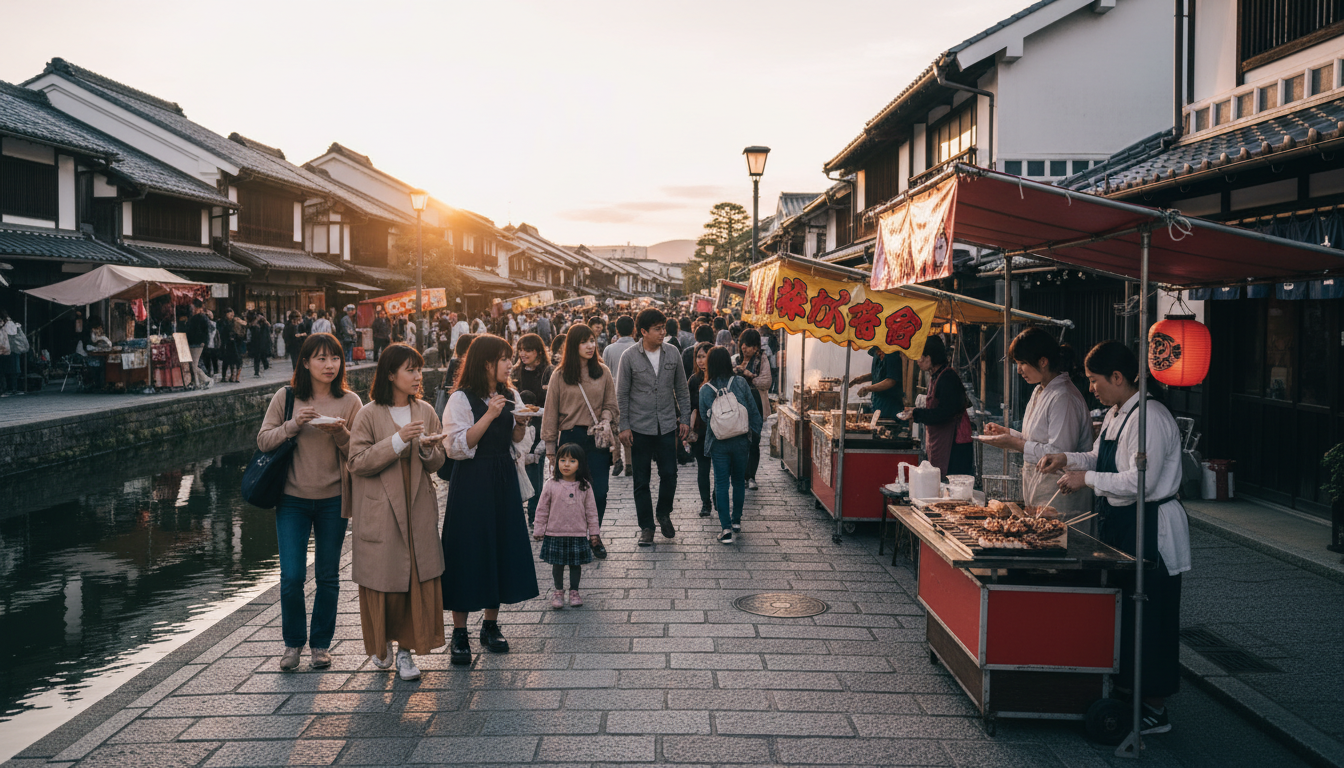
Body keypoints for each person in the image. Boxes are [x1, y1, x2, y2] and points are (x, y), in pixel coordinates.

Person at [1041, 341, 1191, 735]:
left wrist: (1086, 478)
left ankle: (1155, 709)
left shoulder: (1150, 418)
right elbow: (1097, 457)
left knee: (1152, 616)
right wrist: (1069, 460)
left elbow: (1141, 481)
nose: (1091, 388)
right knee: (1127, 611)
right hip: (1122, 524)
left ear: (1118, 378)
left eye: (1094, 380)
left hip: (1150, 527)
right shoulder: (1115, 414)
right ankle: (1129, 692)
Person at [256, 333, 362, 671]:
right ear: (305, 362)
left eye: (334, 358)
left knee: (328, 575)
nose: (329, 365)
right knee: (291, 577)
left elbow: (360, 454)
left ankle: (320, 645)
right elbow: (263, 442)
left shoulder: (350, 402)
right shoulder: (287, 397)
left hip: (333, 500)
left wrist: (340, 433)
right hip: (292, 500)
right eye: (321, 358)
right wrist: (292, 425)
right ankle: (292, 645)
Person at [347, 344, 448, 681]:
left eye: (419, 369)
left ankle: (406, 651)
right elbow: (357, 462)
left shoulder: (426, 410)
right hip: (383, 507)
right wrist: (397, 441)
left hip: (416, 501)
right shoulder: (369, 413)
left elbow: (437, 462)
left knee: (414, 579)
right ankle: (382, 643)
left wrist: (428, 450)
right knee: (385, 580)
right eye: (410, 370)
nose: (418, 376)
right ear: (390, 374)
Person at [441, 334, 540, 665]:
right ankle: (459, 632)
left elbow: (513, 438)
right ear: (485, 362)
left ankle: (491, 624)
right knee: (467, 550)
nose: (509, 364)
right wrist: (489, 415)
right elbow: (456, 447)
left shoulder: (509, 393)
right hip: (471, 480)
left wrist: (521, 424)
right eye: (504, 359)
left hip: (501, 476)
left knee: (499, 545)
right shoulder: (460, 400)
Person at [979, 327, 1094, 515]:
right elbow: (1035, 438)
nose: (1019, 370)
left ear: (1043, 361)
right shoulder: (1041, 389)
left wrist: (1015, 443)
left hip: (1062, 499)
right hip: (1041, 493)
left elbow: (1058, 454)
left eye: (1022, 363)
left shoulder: (1063, 397)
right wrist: (1007, 433)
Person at [616, 308, 691, 547]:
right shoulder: (629, 356)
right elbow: (622, 394)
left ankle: (663, 512)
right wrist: (624, 425)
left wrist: (685, 419)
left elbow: (682, 389)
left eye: (664, 327)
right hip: (639, 427)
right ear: (643, 331)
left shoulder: (673, 354)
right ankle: (647, 527)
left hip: (668, 424)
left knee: (670, 474)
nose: (663, 333)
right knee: (641, 480)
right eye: (657, 329)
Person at [541, 323, 616, 558]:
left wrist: (604, 419)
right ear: (573, 345)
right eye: (584, 342)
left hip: (597, 439)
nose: (590, 346)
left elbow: (612, 405)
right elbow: (550, 412)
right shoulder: (560, 375)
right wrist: (551, 450)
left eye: (592, 341)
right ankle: (577, 537)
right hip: (570, 439)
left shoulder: (603, 372)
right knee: (571, 493)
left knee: (600, 491)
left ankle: (594, 536)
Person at [700, 346, 762, 544]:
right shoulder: (741, 382)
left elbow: (704, 417)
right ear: (728, 362)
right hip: (741, 441)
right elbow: (752, 410)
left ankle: (725, 529)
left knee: (721, 483)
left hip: (719, 442)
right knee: (738, 481)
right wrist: (754, 434)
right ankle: (736, 521)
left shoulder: (705, 389)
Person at [532, 442, 602, 609]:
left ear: (580, 464)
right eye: (562, 460)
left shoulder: (585, 486)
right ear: (557, 462)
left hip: (577, 533)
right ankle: (558, 591)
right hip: (555, 533)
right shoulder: (551, 484)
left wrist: (594, 533)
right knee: (558, 564)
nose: (566, 465)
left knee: (575, 564)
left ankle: (574, 591)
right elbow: (542, 509)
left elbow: (591, 512)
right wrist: (539, 529)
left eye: (572, 461)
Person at [903, 335, 974, 477]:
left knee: (953, 489)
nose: (918, 361)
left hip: (955, 447)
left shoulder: (947, 377)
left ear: (929, 357)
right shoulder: (936, 376)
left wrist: (917, 413)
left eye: (920, 357)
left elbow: (944, 413)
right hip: (943, 443)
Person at [511, 333, 552, 524]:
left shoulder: (548, 372)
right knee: (515, 470)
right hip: (516, 427)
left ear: (538, 352)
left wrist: (537, 410)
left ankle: (535, 515)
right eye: (520, 349)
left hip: (539, 426)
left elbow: (554, 404)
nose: (523, 353)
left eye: (527, 350)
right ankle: (517, 512)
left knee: (535, 470)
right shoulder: (514, 372)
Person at [732, 329, 772, 490]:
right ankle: (741, 475)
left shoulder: (762, 360)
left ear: (756, 347)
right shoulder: (735, 360)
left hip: (756, 405)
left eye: (748, 345)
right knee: (740, 442)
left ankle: (751, 476)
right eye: (742, 344)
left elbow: (766, 382)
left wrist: (750, 375)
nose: (744, 348)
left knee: (754, 441)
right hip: (738, 406)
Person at [602, 315, 637, 476]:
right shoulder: (638, 348)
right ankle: (630, 462)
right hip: (634, 395)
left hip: (613, 394)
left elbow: (604, 374)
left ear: (616, 330)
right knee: (631, 428)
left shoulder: (609, 349)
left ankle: (617, 459)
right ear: (634, 329)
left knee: (616, 428)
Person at [686, 341, 715, 518]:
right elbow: (689, 406)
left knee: (720, 468)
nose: (701, 361)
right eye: (698, 356)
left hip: (719, 430)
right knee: (703, 469)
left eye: (704, 356)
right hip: (701, 432)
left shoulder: (719, 379)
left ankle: (717, 495)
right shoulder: (694, 380)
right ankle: (706, 502)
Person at [853, 347, 904, 421]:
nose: (878, 353)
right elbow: (877, 374)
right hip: (877, 402)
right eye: (877, 351)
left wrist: (868, 388)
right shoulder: (876, 355)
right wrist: (863, 378)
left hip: (890, 405)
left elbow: (891, 381)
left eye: (880, 351)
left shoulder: (893, 356)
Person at [186, 299, 213, 389]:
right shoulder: (193, 317)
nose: (191, 309)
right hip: (192, 342)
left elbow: (207, 331)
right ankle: (197, 382)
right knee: (193, 364)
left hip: (198, 343)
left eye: (193, 307)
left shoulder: (202, 317)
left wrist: (204, 342)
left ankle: (207, 379)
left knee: (194, 365)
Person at [217, 308, 242, 383]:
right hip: (225, 343)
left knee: (233, 360)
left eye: (232, 313)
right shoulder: (222, 322)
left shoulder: (234, 321)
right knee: (226, 361)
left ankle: (233, 376)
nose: (231, 315)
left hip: (234, 343)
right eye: (229, 313)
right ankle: (224, 376)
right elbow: (222, 331)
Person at [0, 309, 19, 396]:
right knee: (6, 370)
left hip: (6, 349)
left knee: (5, 370)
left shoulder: (6, 324)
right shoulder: (7, 324)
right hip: (6, 349)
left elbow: (12, 332)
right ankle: (6, 389)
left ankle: (6, 389)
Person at [250, 313, 272, 377]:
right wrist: (257, 319)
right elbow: (251, 326)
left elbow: (269, 326)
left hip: (263, 343)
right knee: (257, 358)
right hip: (256, 344)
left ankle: (265, 366)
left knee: (263, 356)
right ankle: (256, 371)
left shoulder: (264, 325)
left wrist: (264, 320)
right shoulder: (254, 325)